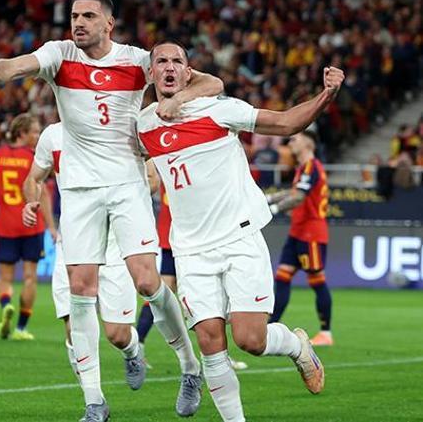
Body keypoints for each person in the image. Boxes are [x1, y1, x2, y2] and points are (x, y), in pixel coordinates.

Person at [0, 0, 222, 419]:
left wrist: (174, 101)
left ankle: (189, 366)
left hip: (127, 184)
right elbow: (20, 65)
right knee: (80, 290)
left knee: (148, 281)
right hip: (79, 192)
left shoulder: (138, 60)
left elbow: (211, 83)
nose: (79, 22)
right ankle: (94, 401)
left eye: (89, 16)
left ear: (109, 23)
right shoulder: (60, 55)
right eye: (75, 15)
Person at [137, 41, 342, 421]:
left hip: (239, 238)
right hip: (190, 250)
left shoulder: (219, 110)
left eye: (177, 61)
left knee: (250, 340)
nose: (169, 67)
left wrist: (326, 95)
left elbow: (286, 123)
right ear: (151, 73)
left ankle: (297, 346)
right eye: (161, 61)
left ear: (188, 73)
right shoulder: (143, 125)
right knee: (210, 342)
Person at [23, 121, 158, 392]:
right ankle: (93, 399)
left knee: (117, 335)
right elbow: (32, 179)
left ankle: (132, 351)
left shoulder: (120, 127)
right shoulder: (53, 135)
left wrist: (128, 196)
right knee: (73, 328)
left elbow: (153, 178)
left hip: (114, 243)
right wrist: (30, 202)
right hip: (73, 240)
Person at [135, 191, 249, 371]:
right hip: (186, 237)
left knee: (172, 291)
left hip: (188, 236)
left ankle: (220, 355)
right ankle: (137, 347)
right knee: (166, 292)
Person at [0, 113, 54, 340]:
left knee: (5, 278)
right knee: (30, 278)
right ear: (22, 133)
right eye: (35, 132)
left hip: (6, 225)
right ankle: (21, 328)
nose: (38, 136)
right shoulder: (33, 158)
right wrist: (51, 226)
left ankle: (6, 305)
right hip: (31, 225)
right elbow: (43, 194)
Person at [267, 128, 333, 346]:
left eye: (295, 138)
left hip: (311, 233)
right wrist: (269, 199)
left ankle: (326, 333)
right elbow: (293, 193)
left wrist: (274, 209)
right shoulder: (303, 168)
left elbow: (299, 197)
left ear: (308, 143)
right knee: (282, 277)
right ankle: (270, 327)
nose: (290, 143)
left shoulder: (312, 167)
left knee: (317, 280)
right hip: (297, 232)